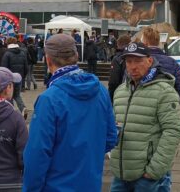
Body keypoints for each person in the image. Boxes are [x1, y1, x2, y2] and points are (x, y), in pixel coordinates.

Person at [23, 34, 117, 191]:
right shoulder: (100, 90)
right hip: (90, 183)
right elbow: (111, 137)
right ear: (77, 56)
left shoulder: (49, 99)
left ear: (48, 60)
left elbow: (37, 154)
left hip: (56, 186)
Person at [110, 42, 180, 190]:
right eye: (129, 61)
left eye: (138, 61)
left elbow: (173, 131)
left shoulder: (164, 91)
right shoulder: (120, 91)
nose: (132, 66)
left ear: (149, 61)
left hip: (146, 176)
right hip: (120, 173)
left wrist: (154, 170)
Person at [142, 27, 180, 103]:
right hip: (166, 106)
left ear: (145, 42)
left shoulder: (137, 61)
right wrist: (173, 103)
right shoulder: (172, 62)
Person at [1, 37, 28, 118]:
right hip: (19, 78)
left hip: (9, 78)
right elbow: (26, 67)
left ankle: (11, 112)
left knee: (9, 96)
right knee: (17, 95)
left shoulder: (7, 54)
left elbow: (4, 67)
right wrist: (23, 76)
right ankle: (23, 108)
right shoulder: (22, 53)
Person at [108, 34, 131, 103]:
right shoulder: (131, 56)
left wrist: (110, 96)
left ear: (118, 44)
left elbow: (113, 81)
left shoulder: (117, 58)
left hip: (119, 93)